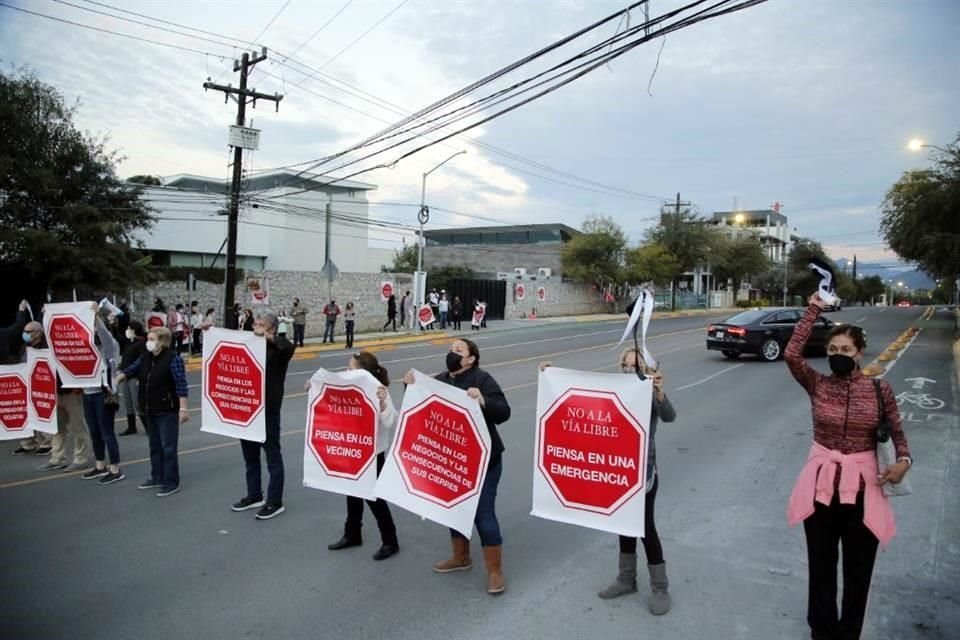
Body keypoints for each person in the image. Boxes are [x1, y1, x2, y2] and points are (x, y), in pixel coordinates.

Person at [786, 292, 911, 640]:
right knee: (821, 568)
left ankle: (849, 633)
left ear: (859, 354)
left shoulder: (878, 390)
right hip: (821, 489)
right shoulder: (817, 385)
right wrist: (813, 309)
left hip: (863, 491)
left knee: (858, 572)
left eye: (845, 351)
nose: (838, 356)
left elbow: (898, 432)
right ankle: (822, 632)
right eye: (833, 351)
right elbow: (792, 353)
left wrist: (904, 461)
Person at [540, 350, 676, 614]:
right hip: (616, 473)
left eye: (634, 365)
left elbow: (670, 416)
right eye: (625, 365)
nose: (628, 369)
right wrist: (549, 376)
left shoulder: (647, 391)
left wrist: (659, 392)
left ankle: (660, 587)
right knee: (623, 524)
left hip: (643, 473)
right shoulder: (612, 390)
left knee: (645, 527)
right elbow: (582, 403)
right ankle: (626, 579)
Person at [403, 338, 511, 595]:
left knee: (483, 515)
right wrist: (409, 387)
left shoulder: (483, 379)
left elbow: (503, 412)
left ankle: (495, 571)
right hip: (452, 461)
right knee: (454, 509)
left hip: (485, 461)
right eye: (451, 349)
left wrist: (483, 400)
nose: (452, 353)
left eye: (458, 350)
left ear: (471, 358)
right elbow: (420, 408)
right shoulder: (440, 380)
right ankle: (461, 557)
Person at [327, 351, 400, 560]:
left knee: (375, 500)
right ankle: (352, 534)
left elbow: (391, 422)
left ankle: (390, 541)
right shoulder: (349, 388)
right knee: (352, 494)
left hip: (372, 454)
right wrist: (314, 387)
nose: (346, 371)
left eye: (351, 368)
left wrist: (383, 403)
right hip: (354, 450)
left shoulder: (378, 390)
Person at [231, 311, 295, 519]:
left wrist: (268, 338)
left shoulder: (279, 348)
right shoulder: (248, 345)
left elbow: (288, 347)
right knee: (250, 457)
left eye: (260, 325)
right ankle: (254, 495)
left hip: (268, 410)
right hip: (248, 409)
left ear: (272, 329)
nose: (255, 328)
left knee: (272, 457)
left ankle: (275, 501)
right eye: (254, 324)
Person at [115, 326, 189, 497]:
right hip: (150, 409)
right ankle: (157, 477)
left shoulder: (173, 358)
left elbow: (181, 385)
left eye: (152, 339)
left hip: (167, 410)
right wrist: (117, 379)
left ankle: (171, 482)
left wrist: (183, 409)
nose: (148, 342)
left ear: (162, 341)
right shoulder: (146, 357)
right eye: (148, 338)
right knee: (154, 446)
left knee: (168, 447)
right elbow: (131, 369)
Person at [28, 318, 91, 472]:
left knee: (78, 427)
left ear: (39, 332)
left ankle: (81, 458)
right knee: (57, 428)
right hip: (53, 394)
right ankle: (57, 458)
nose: (26, 334)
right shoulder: (31, 349)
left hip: (69, 392)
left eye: (29, 331)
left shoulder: (53, 344)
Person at [79, 310, 125, 485]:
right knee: (94, 431)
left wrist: (95, 317)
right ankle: (100, 465)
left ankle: (115, 468)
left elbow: (104, 334)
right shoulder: (85, 348)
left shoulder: (109, 346)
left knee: (107, 432)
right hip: (87, 393)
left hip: (103, 394)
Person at [117, 320, 148, 436]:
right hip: (124, 375)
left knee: (137, 402)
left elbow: (142, 361)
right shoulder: (129, 342)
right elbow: (117, 337)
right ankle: (131, 426)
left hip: (134, 376)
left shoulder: (141, 343)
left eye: (129, 329)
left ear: (134, 330)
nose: (127, 331)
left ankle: (147, 426)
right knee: (128, 402)